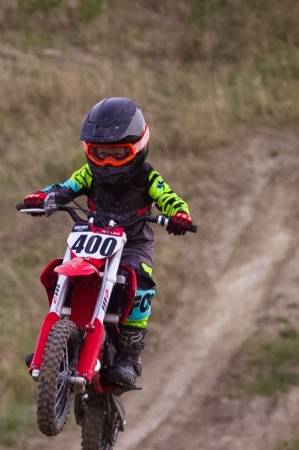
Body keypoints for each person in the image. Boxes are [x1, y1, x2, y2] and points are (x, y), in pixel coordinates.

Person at [21, 97, 192, 389]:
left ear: (137, 147)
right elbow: (64, 188)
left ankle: (129, 356)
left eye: (117, 154)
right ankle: (53, 346)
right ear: (89, 150)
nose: (108, 162)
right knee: (61, 272)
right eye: (100, 154)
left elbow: (169, 198)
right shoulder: (88, 174)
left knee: (141, 283)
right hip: (93, 238)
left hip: (133, 244)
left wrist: (179, 215)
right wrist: (43, 197)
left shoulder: (147, 177)